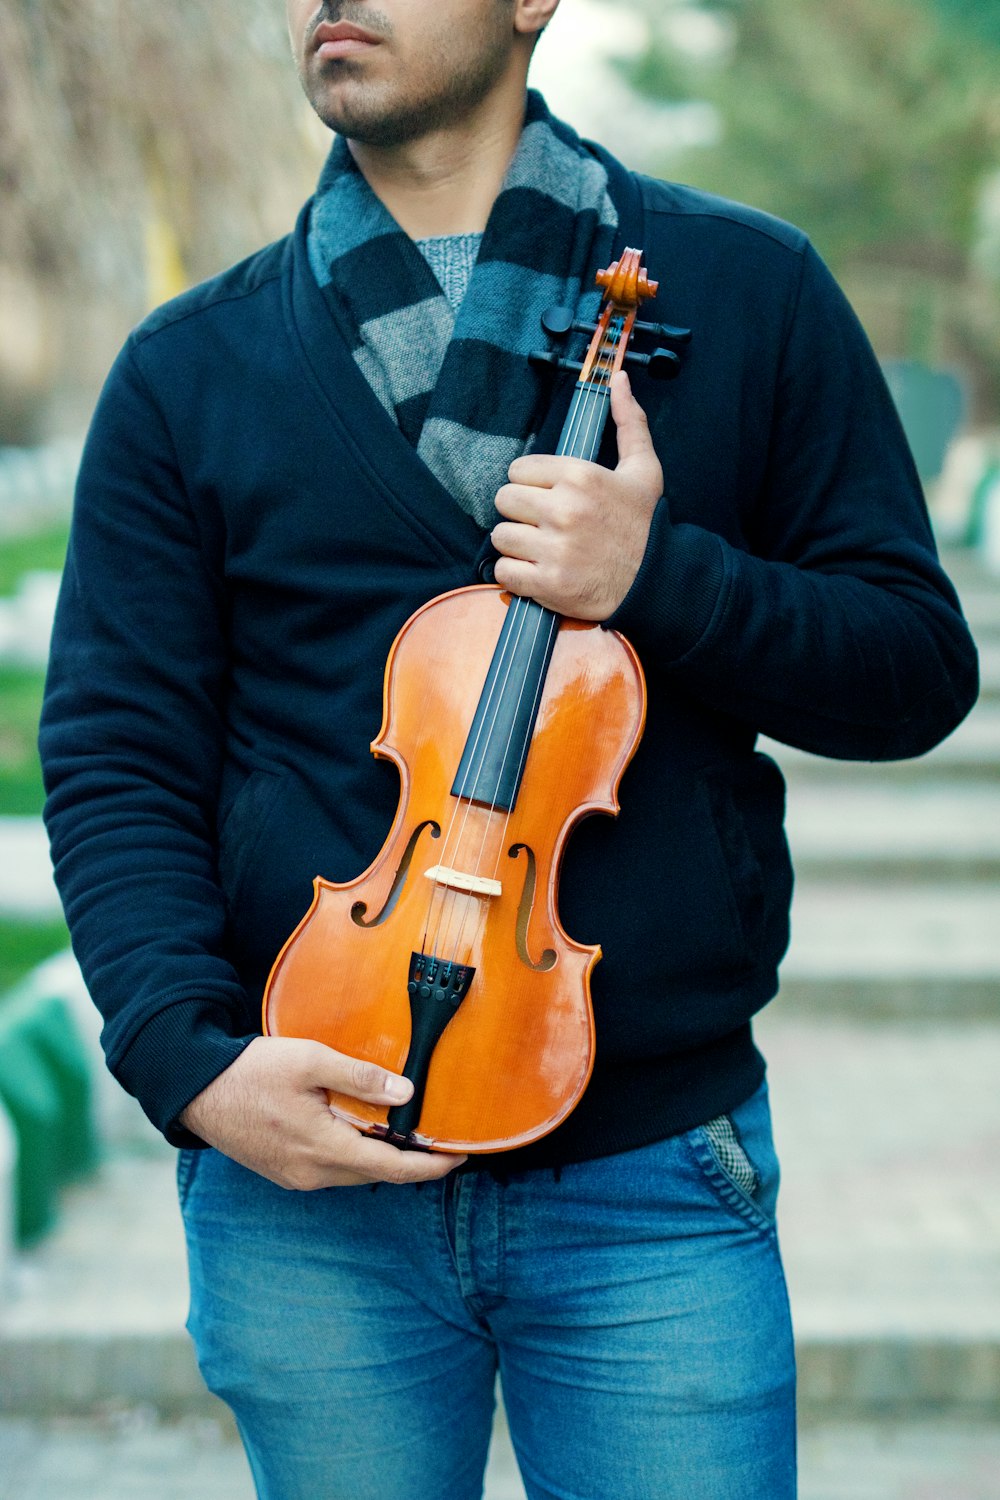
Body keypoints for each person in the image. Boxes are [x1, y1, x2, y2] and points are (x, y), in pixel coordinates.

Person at [40, 2, 978, 1496]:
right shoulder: (188, 367)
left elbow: (916, 668)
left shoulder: (747, 291)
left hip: (651, 1180)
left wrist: (663, 581)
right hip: (304, 1190)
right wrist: (185, 1064)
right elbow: (114, 753)